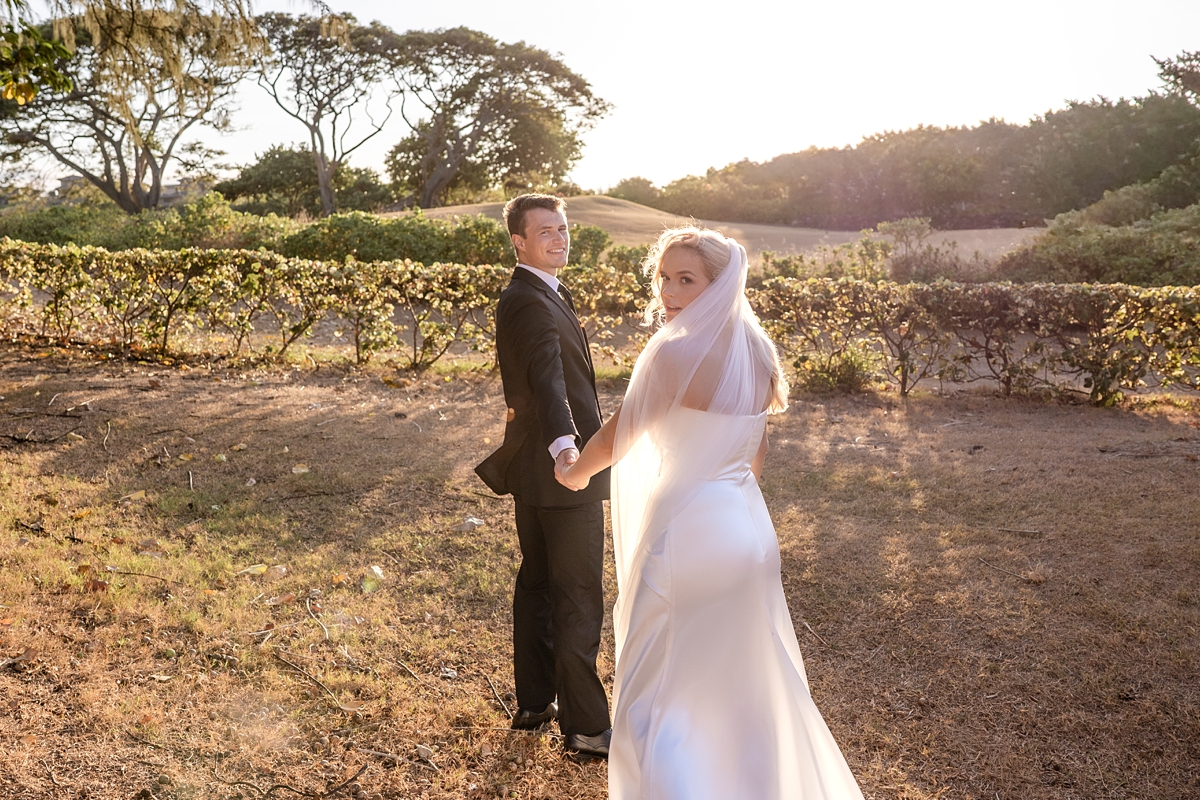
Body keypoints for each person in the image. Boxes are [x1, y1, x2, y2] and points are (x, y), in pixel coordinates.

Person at [557, 227, 864, 798]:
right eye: (664, 278)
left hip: (689, 536)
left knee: (660, 685)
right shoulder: (757, 348)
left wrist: (573, 470)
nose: (670, 292)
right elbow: (756, 453)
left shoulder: (674, 353)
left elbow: (623, 431)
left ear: (720, 283)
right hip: (747, 530)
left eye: (686, 279)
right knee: (746, 683)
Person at [474, 194, 613, 760]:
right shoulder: (530, 301)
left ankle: (534, 703)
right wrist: (568, 450)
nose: (559, 238)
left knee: (536, 586)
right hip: (560, 469)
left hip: (532, 470)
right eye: (546, 231)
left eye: (563, 228)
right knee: (576, 594)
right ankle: (586, 727)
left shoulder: (535, 291)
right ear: (519, 242)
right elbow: (547, 381)